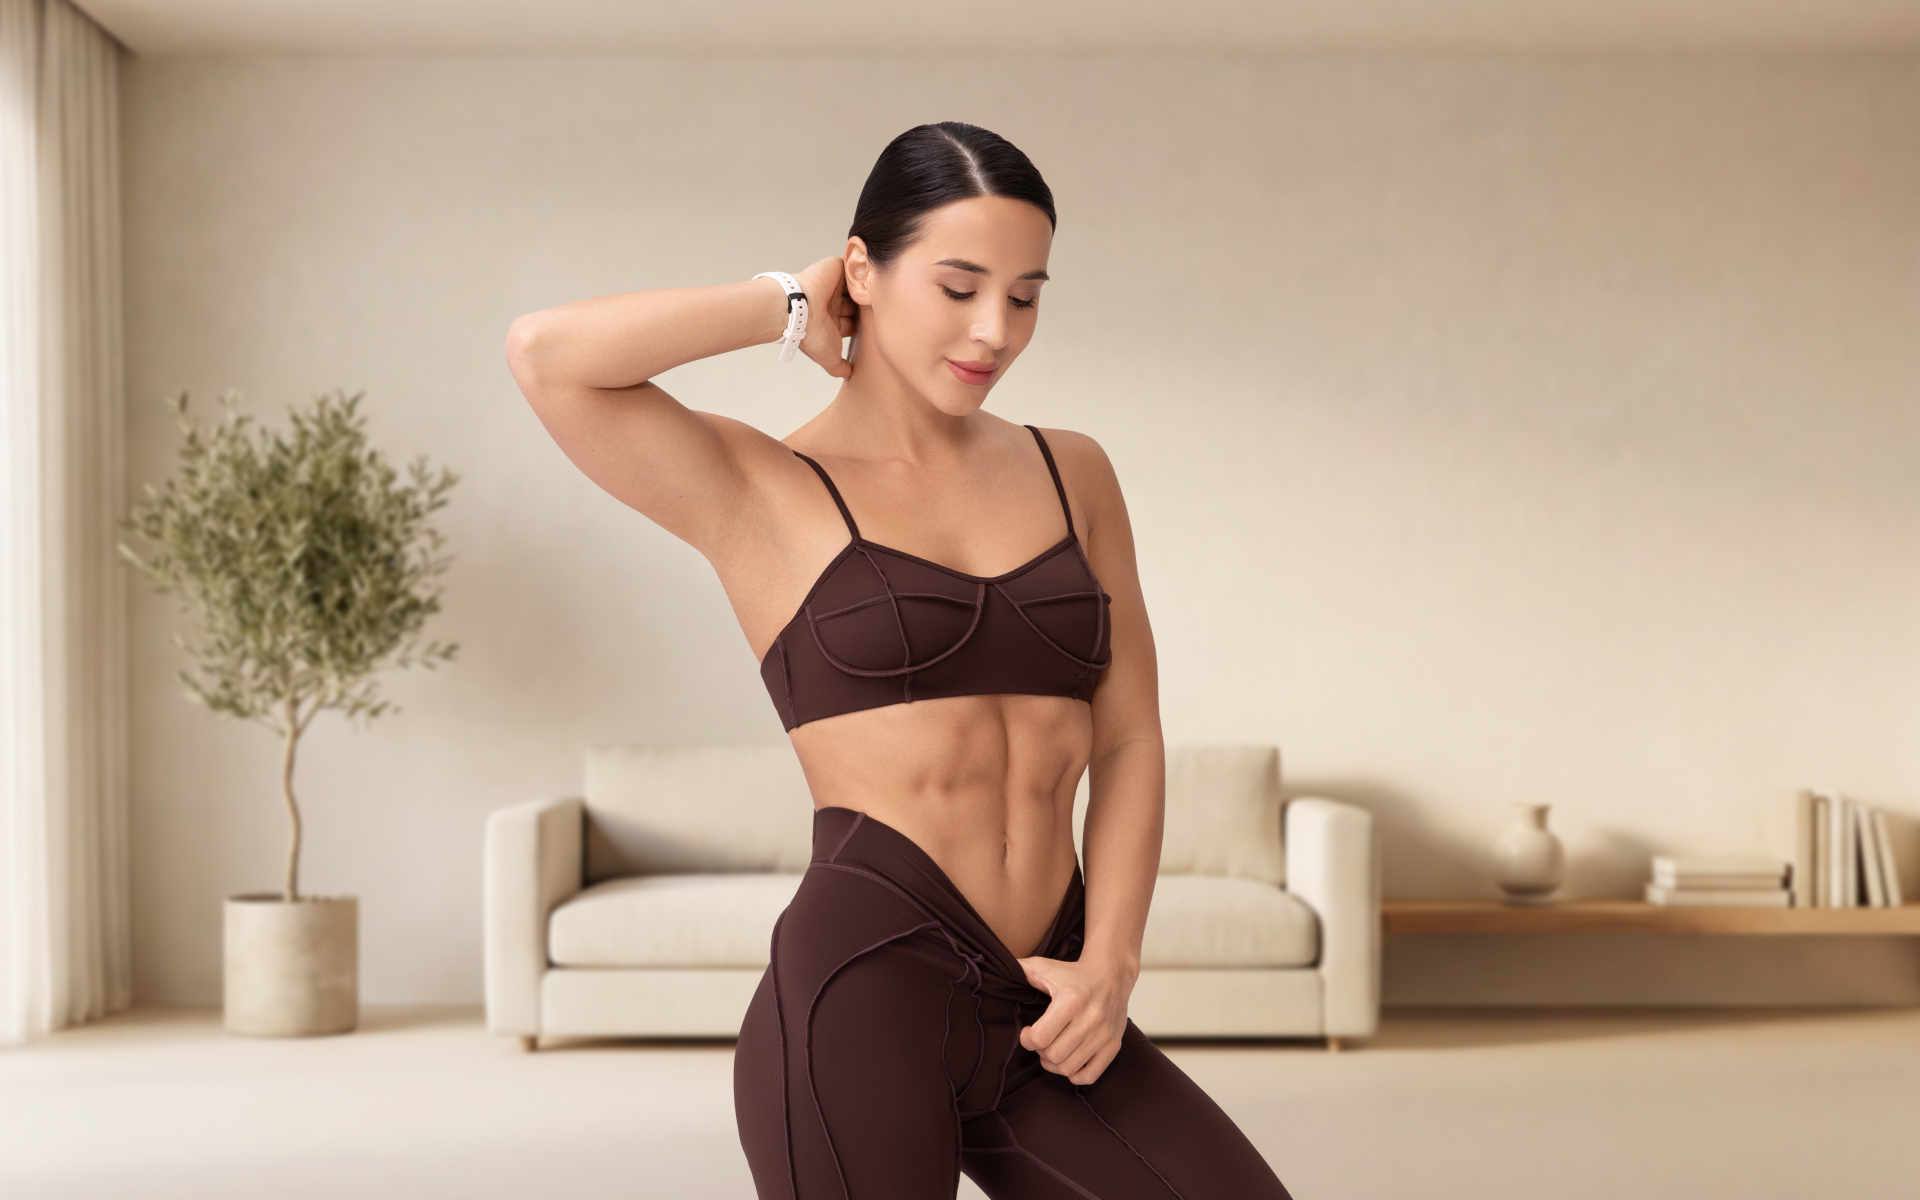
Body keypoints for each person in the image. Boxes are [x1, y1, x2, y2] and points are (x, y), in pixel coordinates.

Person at [506, 121, 1292, 1200]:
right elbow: (547, 358)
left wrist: (1112, 962)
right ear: (863, 271)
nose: (994, 329)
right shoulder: (764, 490)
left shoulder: (1076, 473)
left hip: (1047, 997)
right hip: (860, 995)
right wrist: (787, 300)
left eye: (1025, 294)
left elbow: (1130, 734)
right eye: (958, 285)